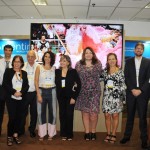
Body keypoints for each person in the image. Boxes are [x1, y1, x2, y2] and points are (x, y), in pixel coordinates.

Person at [120, 42, 150, 150]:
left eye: (141, 49)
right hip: (131, 93)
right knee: (130, 116)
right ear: (134, 50)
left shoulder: (148, 62)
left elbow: (149, 79)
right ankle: (126, 136)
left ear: (143, 51)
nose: (139, 50)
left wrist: (141, 90)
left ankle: (144, 140)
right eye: (137, 48)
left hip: (143, 93)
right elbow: (126, 77)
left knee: (142, 117)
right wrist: (132, 89)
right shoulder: (128, 62)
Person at [75, 47, 102, 141]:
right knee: (85, 112)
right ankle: (87, 132)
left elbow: (101, 76)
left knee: (94, 113)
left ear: (93, 54)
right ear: (84, 54)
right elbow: (76, 78)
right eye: (86, 53)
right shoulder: (78, 64)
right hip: (83, 92)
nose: (88, 54)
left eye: (90, 52)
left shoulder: (98, 63)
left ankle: (93, 131)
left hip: (95, 91)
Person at [2, 55, 29, 146]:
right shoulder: (8, 71)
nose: (17, 63)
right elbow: (5, 84)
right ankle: (9, 136)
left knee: (19, 118)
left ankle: (15, 135)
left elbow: (27, 86)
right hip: (11, 99)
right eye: (15, 61)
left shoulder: (24, 73)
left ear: (21, 63)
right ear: (13, 62)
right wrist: (14, 92)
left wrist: (21, 92)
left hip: (21, 99)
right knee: (12, 118)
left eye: (19, 62)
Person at [100, 53, 126, 143]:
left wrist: (123, 99)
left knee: (115, 115)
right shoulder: (104, 72)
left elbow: (123, 86)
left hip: (117, 98)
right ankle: (108, 133)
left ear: (116, 60)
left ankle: (114, 134)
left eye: (113, 59)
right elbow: (97, 80)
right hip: (107, 97)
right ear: (107, 61)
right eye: (109, 59)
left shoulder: (120, 71)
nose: (111, 61)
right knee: (107, 116)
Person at [55, 55, 81, 141]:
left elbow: (78, 84)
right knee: (62, 115)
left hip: (70, 97)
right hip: (61, 97)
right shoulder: (57, 71)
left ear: (68, 62)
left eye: (64, 61)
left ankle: (69, 134)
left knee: (69, 115)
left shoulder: (73, 71)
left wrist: (74, 97)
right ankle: (63, 133)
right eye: (61, 61)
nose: (62, 62)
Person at [35, 51, 57, 141]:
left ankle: (51, 133)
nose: (47, 58)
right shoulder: (39, 67)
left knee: (53, 113)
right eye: (46, 56)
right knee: (41, 113)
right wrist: (38, 94)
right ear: (43, 57)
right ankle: (42, 133)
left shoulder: (54, 68)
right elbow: (36, 81)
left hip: (52, 91)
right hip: (41, 91)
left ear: (52, 58)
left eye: (49, 57)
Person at [21, 50, 39, 137]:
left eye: (32, 56)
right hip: (25, 93)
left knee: (34, 113)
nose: (30, 58)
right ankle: (21, 129)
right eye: (28, 56)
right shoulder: (23, 66)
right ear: (26, 57)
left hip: (35, 93)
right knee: (23, 112)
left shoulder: (39, 67)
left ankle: (32, 129)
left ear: (35, 57)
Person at [0, 44, 13, 136]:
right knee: (0, 112)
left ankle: (10, 132)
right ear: (4, 51)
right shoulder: (0, 61)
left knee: (12, 112)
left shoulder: (15, 62)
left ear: (11, 51)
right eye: (6, 50)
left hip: (11, 89)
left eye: (9, 50)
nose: (8, 52)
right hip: (1, 89)